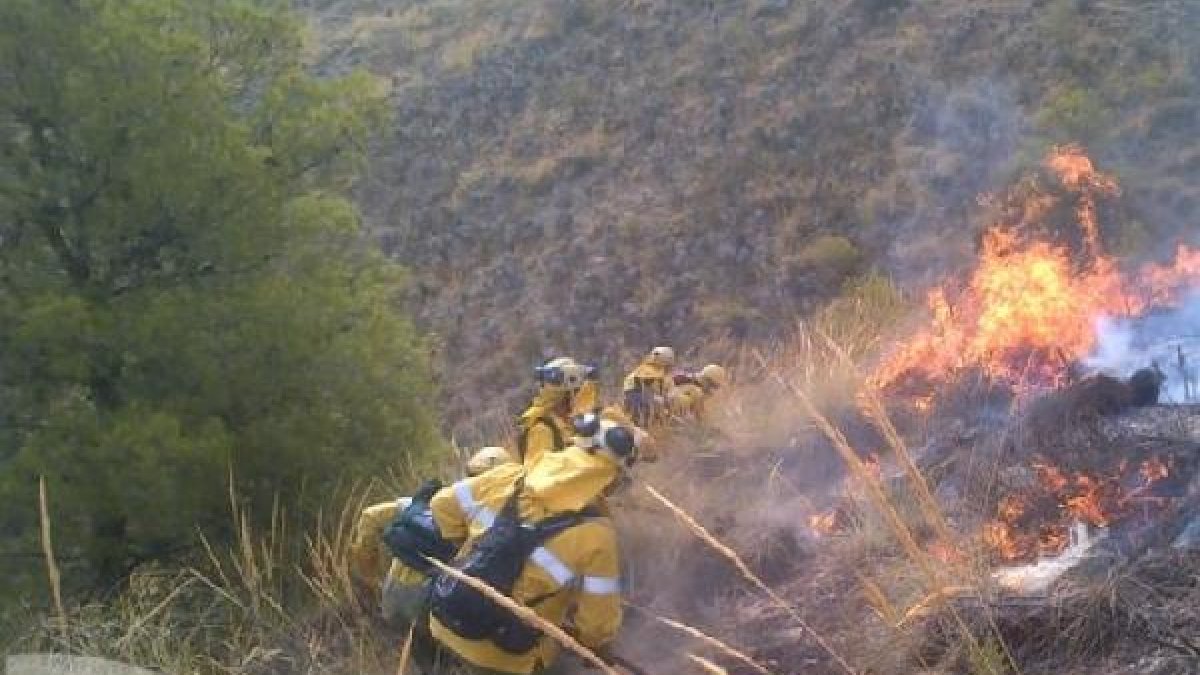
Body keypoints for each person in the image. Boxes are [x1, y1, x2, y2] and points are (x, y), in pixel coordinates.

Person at [425, 415, 638, 675]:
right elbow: (596, 627)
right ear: (608, 478)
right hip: (508, 657)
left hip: (445, 614)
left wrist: (469, 550)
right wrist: (593, 647)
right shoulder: (597, 536)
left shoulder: (510, 476)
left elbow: (440, 505)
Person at [348, 446, 516, 626]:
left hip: (390, 603)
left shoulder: (424, 505)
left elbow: (369, 516)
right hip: (431, 615)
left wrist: (369, 576)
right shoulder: (490, 527)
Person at [517, 357, 598, 467]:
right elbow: (539, 474)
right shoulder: (541, 429)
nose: (578, 396)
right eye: (577, 392)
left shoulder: (581, 420)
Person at [622, 346, 675, 427]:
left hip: (634, 392)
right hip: (635, 392)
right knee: (645, 412)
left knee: (653, 406)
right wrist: (658, 399)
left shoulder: (654, 368)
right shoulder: (648, 369)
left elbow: (656, 387)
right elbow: (644, 386)